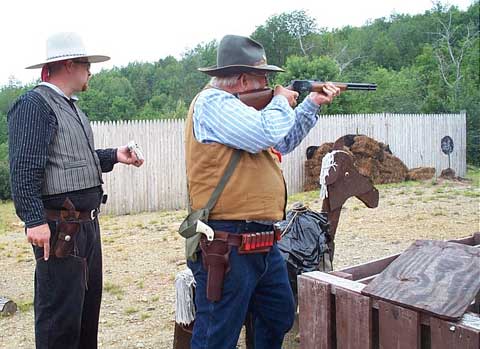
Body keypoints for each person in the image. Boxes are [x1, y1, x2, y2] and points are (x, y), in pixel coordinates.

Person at [184, 34, 341, 349]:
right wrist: (282, 101)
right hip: (227, 242)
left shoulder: (243, 110)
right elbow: (265, 132)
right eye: (264, 77)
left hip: (262, 240)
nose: (269, 83)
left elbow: (281, 141)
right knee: (216, 335)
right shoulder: (213, 103)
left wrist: (310, 104)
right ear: (243, 79)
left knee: (278, 313)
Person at [7, 32, 144, 349]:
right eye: (86, 64)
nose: (90, 71)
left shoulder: (71, 108)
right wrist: (34, 220)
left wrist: (114, 156)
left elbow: (72, 164)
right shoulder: (34, 105)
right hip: (60, 230)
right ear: (68, 64)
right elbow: (24, 168)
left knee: (84, 318)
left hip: (84, 228)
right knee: (60, 323)